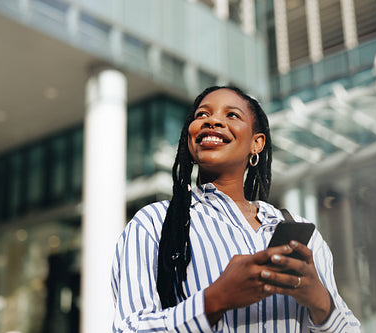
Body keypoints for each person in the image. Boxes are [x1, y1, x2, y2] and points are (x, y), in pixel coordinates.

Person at [111, 86, 361, 332]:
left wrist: (321, 303)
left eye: (232, 115)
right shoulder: (153, 223)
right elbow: (129, 329)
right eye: (202, 115)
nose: (213, 121)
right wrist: (215, 299)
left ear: (257, 143)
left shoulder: (299, 233)